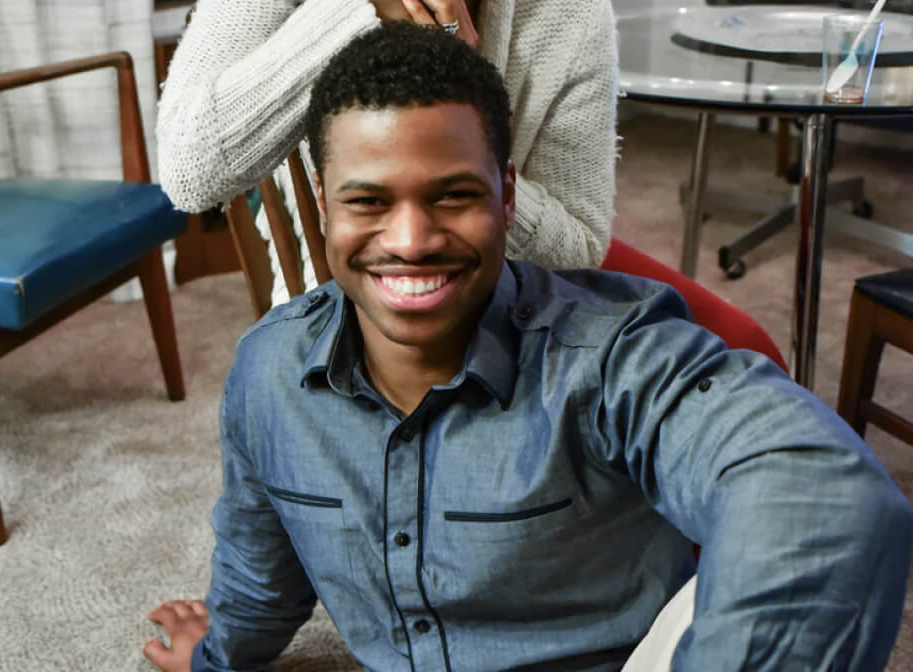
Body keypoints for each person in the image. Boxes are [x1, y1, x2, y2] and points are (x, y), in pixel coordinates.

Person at [144, 24, 913, 672]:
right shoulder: (269, 373)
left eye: (453, 195)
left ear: (507, 197)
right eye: (368, 201)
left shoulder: (608, 358)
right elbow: (262, 568)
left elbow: (824, 502)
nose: (410, 240)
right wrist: (217, 653)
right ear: (323, 206)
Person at [156, 0, 617, 306]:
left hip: (513, 318)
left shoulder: (571, 12)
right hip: (335, 318)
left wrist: (461, 94)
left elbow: (578, 254)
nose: (411, 242)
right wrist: (360, 12)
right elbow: (190, 174)